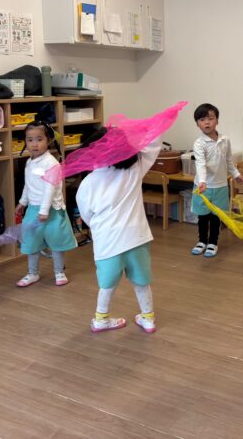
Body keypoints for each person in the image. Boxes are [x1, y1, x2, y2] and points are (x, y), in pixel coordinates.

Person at [76, 128, 161, 333]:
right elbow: (154, 143)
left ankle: (101, 319)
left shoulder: (88, 183)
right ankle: (148, 318)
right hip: (136, 237)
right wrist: (138, 130)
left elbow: (86, 216)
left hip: (107, 241)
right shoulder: (134, 169)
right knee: (142, 281)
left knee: (107, 284)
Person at [15, 121, 76, 287]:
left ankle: (59, 271)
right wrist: (22, 202)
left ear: (48, 140)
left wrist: (44, 211)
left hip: (52, 210)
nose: (34, 144)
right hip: (33, 209)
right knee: (31, 241)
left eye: (39, 139)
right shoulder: (29, 162)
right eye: (30, 140)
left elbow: (50, 189)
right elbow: (28, 184)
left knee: (56, 242)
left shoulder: (51, 163)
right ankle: (32, 273)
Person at [190, 103, 243, 257]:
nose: (207, 122)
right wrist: (203, 181)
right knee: (203, 216)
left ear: (217, 120)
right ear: (197, 124)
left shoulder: (225, 140)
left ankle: (213, 243)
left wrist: (236, 174)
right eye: (202, 120)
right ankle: (202, 241)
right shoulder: (199, 143)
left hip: (220, 186)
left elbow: (228, 160)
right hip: (202, 186)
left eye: (210, 118)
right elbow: (200, 163)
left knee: (216, 216)